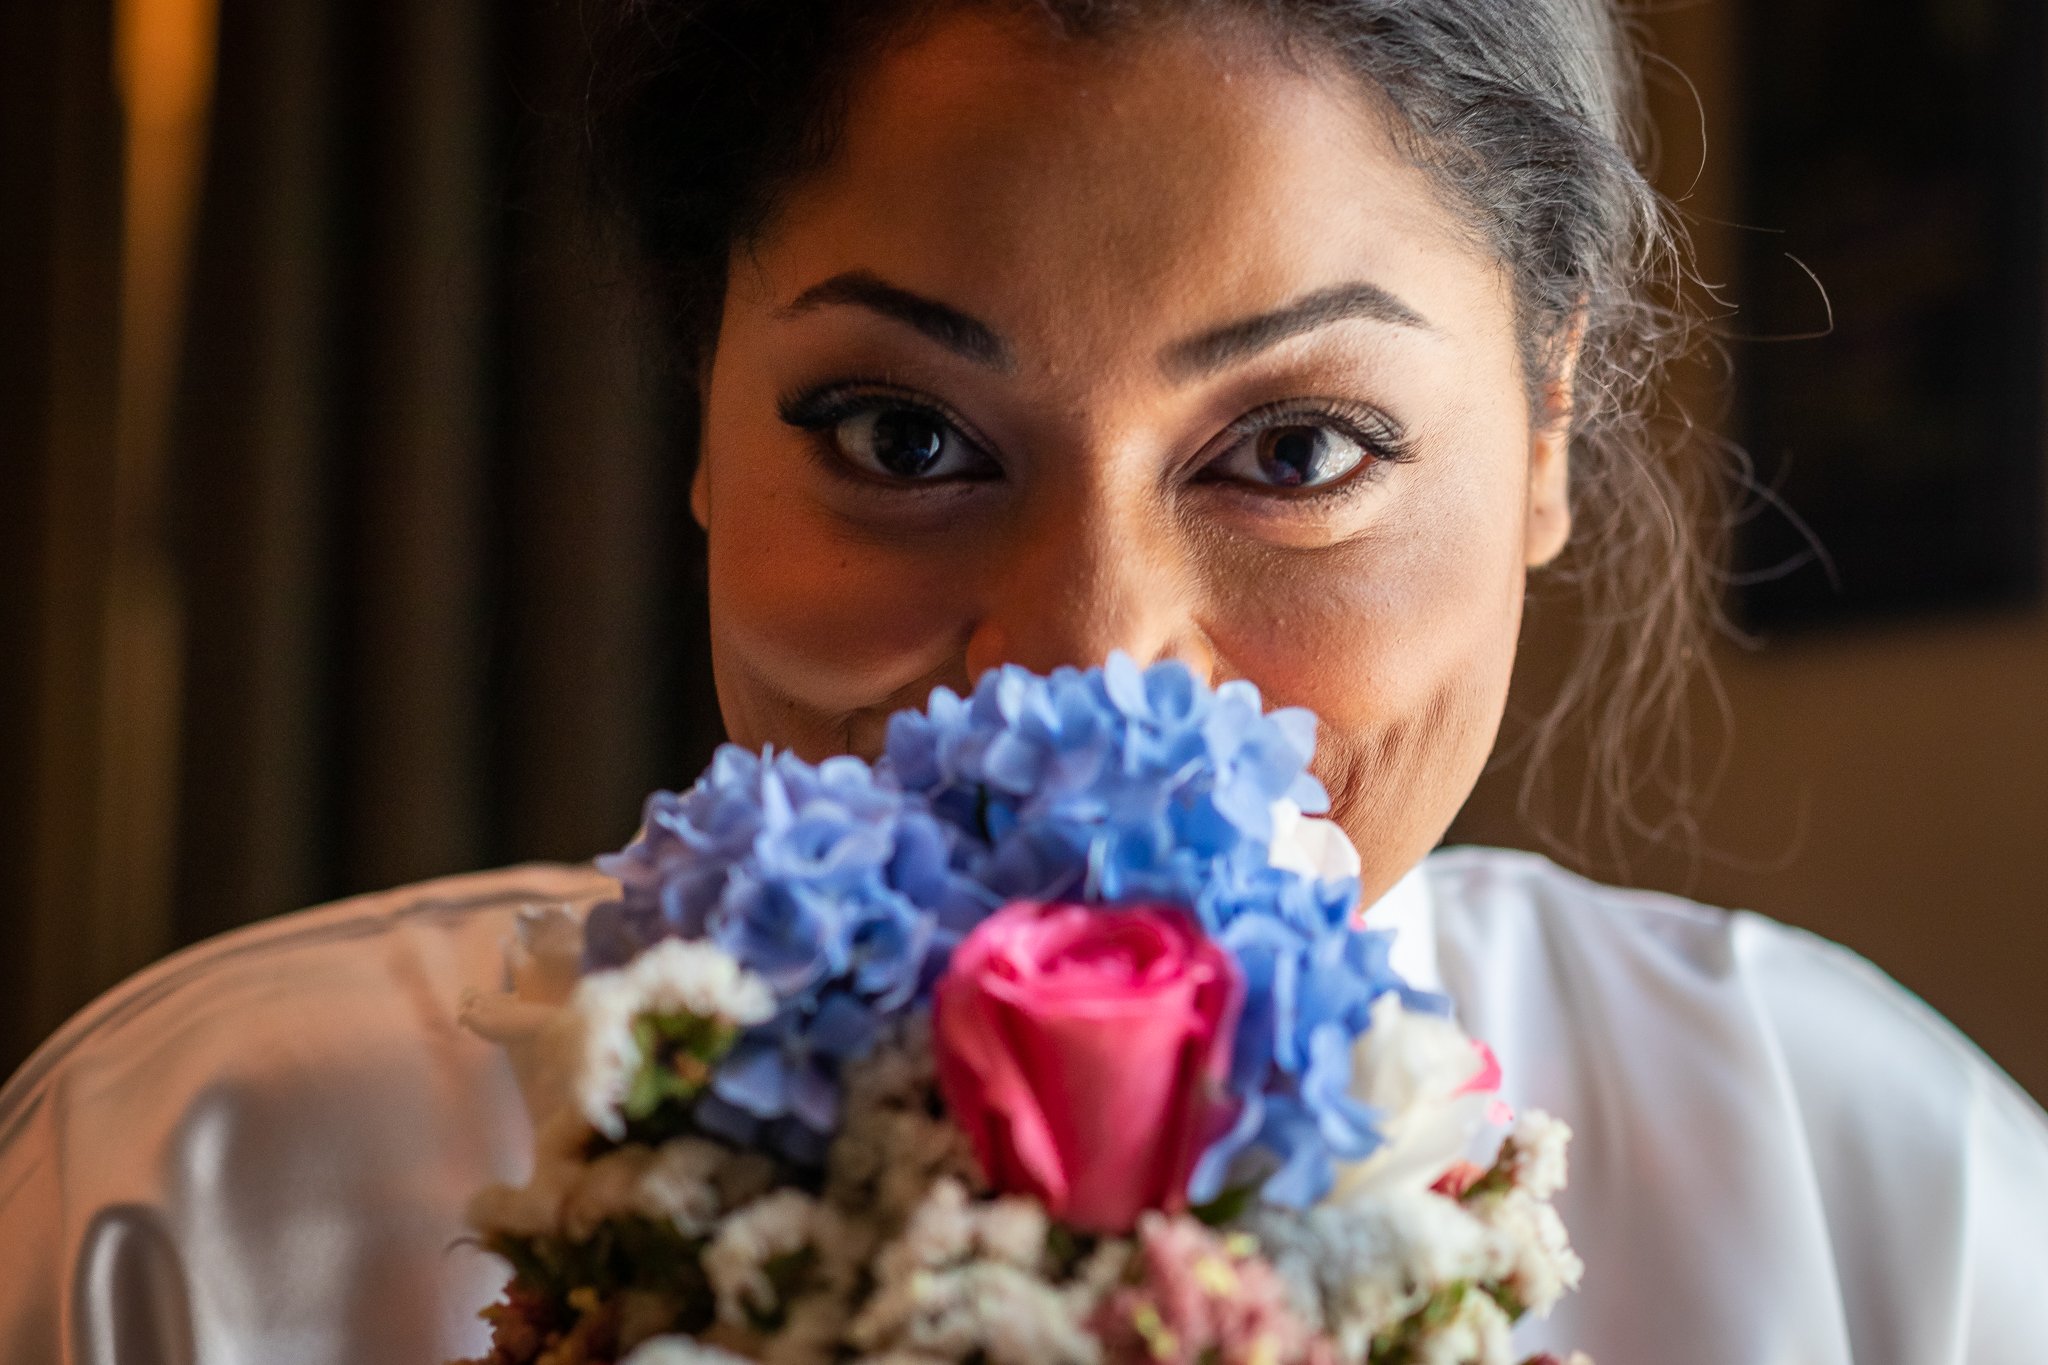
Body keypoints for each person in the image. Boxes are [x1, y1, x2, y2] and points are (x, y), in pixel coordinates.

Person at [1, 1, 2043, 1362]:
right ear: (703, 416)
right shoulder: (194, 1195)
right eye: (902, 435)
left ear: (1541, 427)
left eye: (1297, 451)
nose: (1079, 664)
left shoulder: (1881, 1202)